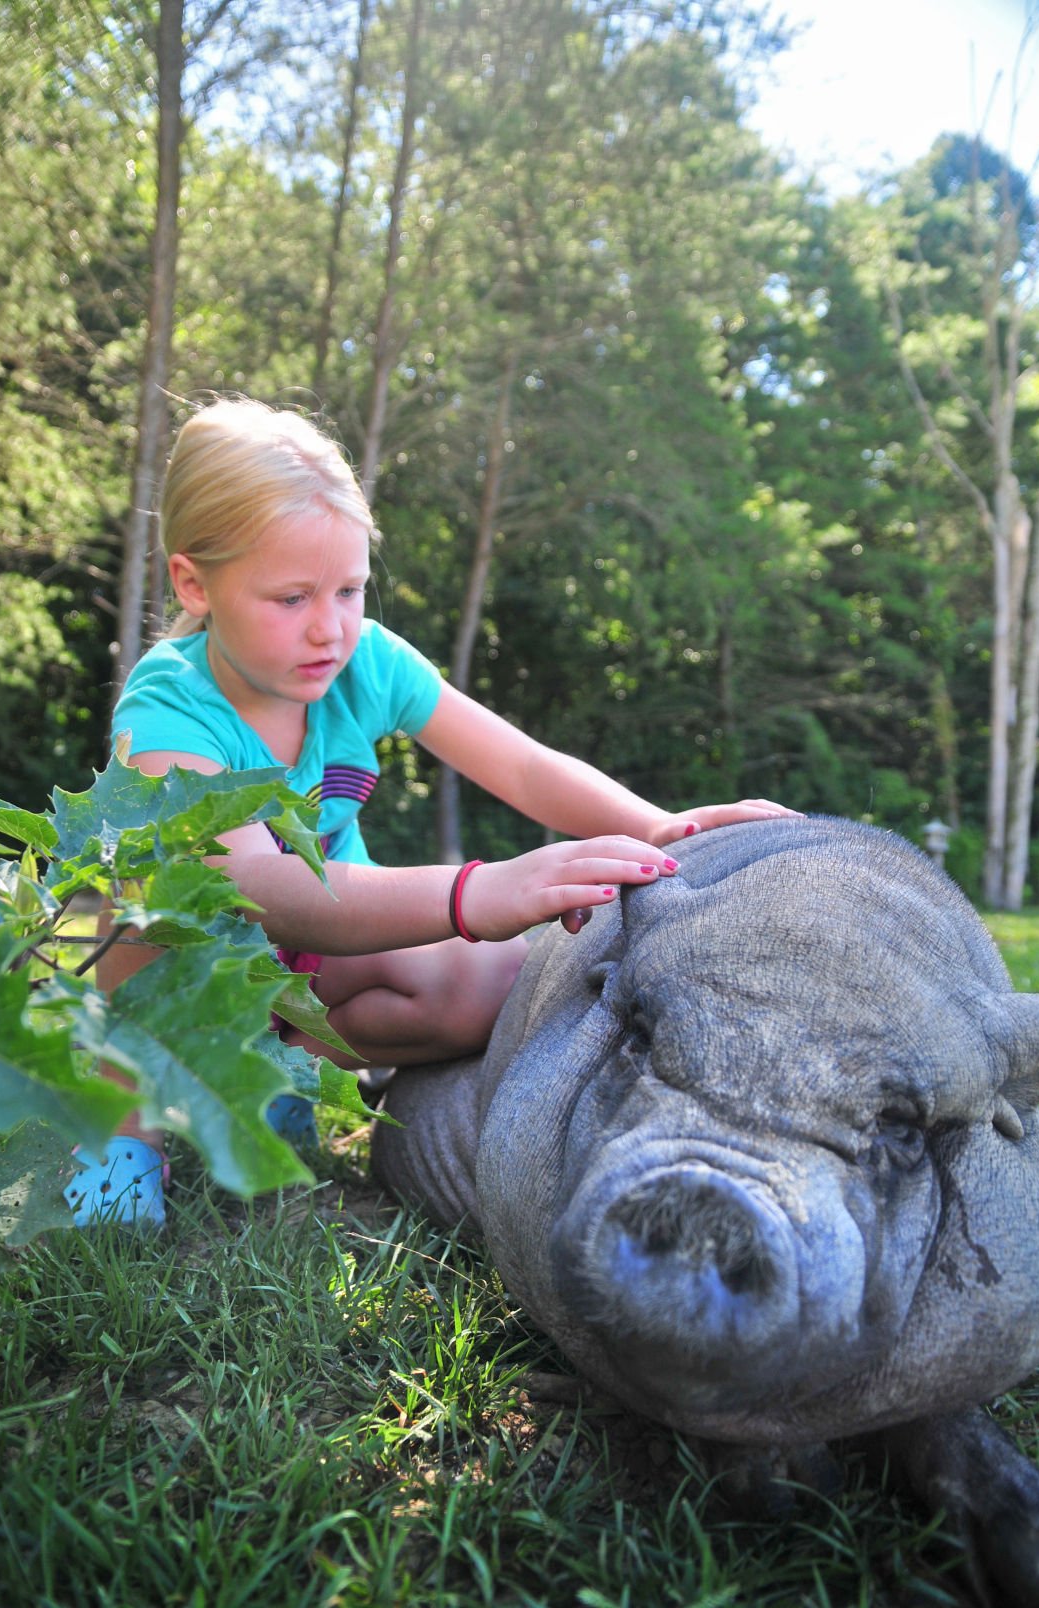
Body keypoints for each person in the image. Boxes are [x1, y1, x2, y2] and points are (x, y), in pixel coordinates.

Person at [66, 397, 798, 1230]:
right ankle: (127, 1133)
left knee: (496, 981)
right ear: (194, 583)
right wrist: (470, 895)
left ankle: (276, 1074)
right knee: (140, 937)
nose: (330, 629)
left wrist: (655, 825)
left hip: (313, 962)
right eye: (291, 598)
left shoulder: (365, 662)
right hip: (184, 985)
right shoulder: (168, 708)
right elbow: (252, 885)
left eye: (349, 590)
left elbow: (521, 763)